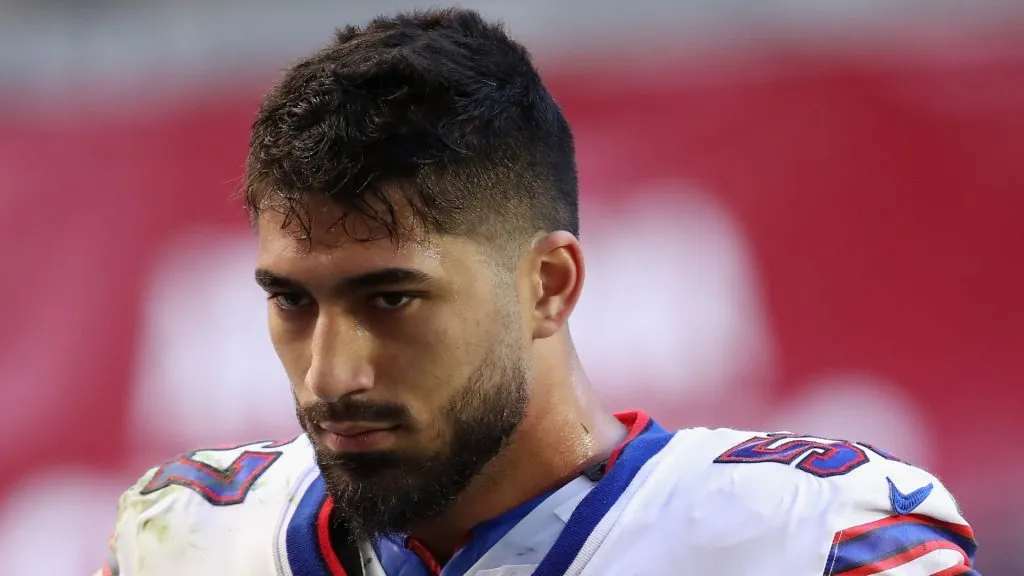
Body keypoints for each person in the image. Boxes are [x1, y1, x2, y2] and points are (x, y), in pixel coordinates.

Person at [96, 7, 980, 576]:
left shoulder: (810, 544)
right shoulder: (191, 542)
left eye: (390, 297)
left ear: (548, 286)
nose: (331, 376)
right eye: (293, 301)